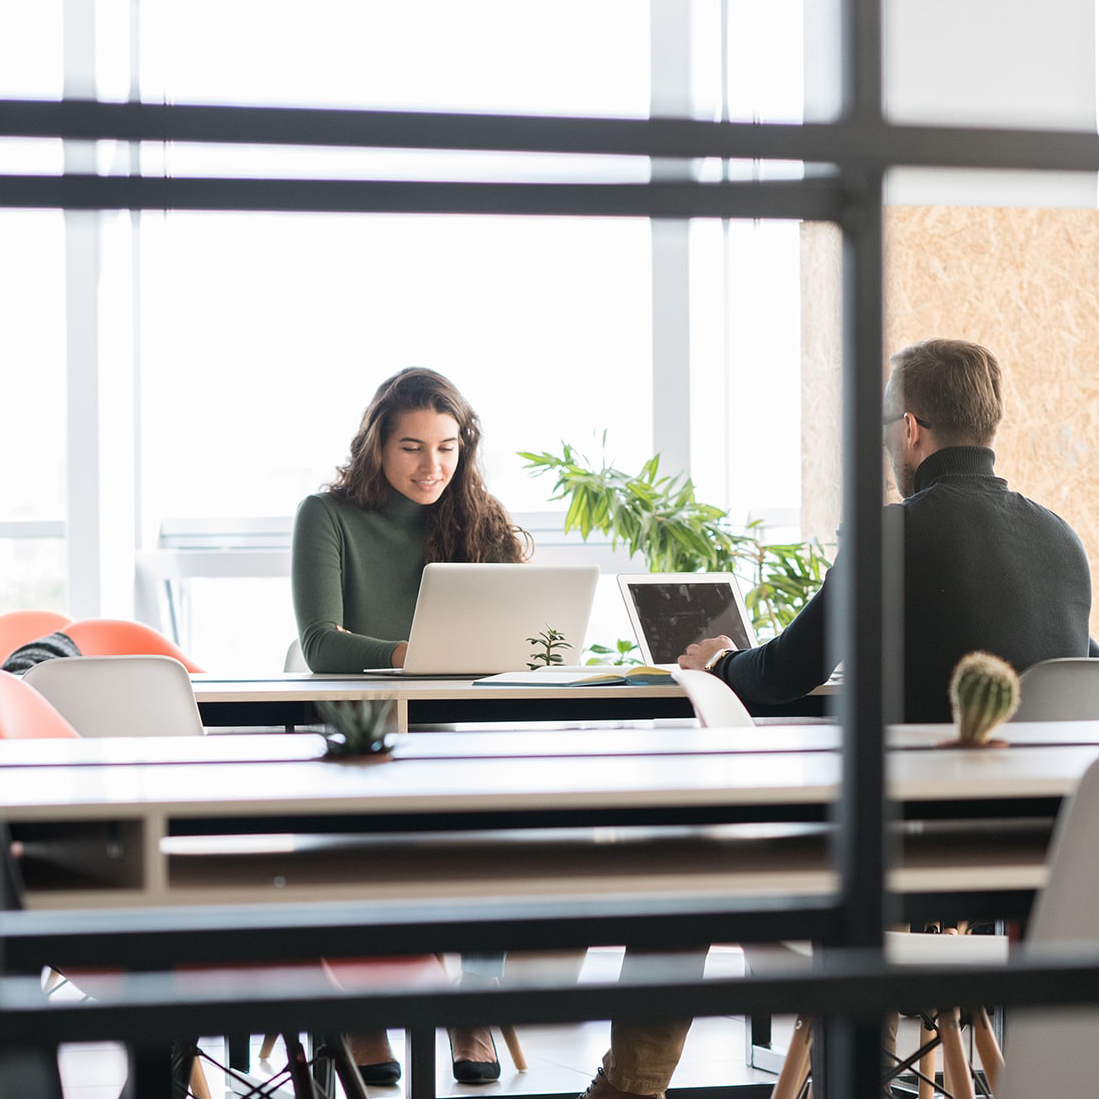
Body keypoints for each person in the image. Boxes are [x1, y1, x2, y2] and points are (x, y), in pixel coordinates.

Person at [576, 338, 1094, 1099]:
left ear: (910, 428)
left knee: (686, 856)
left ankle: (626, 1091)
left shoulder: (892, 534)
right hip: (1036, 879)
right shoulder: (1063, 541)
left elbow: (785, 673)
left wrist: (718, 663)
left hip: (896, 868)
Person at [292, 366, 528, 1086]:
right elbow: (323, 646)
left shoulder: (476, 520)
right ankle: (363, 1011)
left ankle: (472, 1008)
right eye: (412, 448)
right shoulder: (325, 515)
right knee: (359, 834)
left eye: (448, 448)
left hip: (450, 733)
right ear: (377, 446)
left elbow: (508, 639)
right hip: (355, 734)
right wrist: (412, 655)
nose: (433, 467)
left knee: (495, 826)